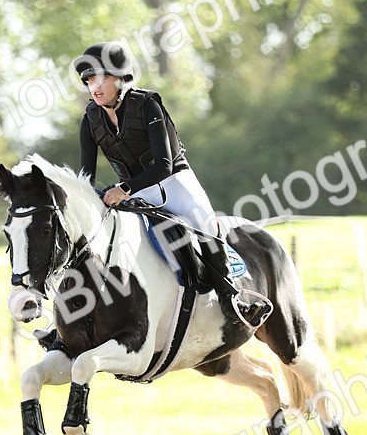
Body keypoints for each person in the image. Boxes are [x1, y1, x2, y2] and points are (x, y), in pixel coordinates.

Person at [74, 41, 273, 330]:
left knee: (204, 228)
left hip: (174, 182)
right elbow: (85, 176)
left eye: (100, 78)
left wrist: (124, 189)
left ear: (119, 77)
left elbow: (163, 165)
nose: (94, 86)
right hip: (134, 193)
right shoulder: (90, 119)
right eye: (89, 80)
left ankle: (233, 297)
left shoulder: (147, 105)